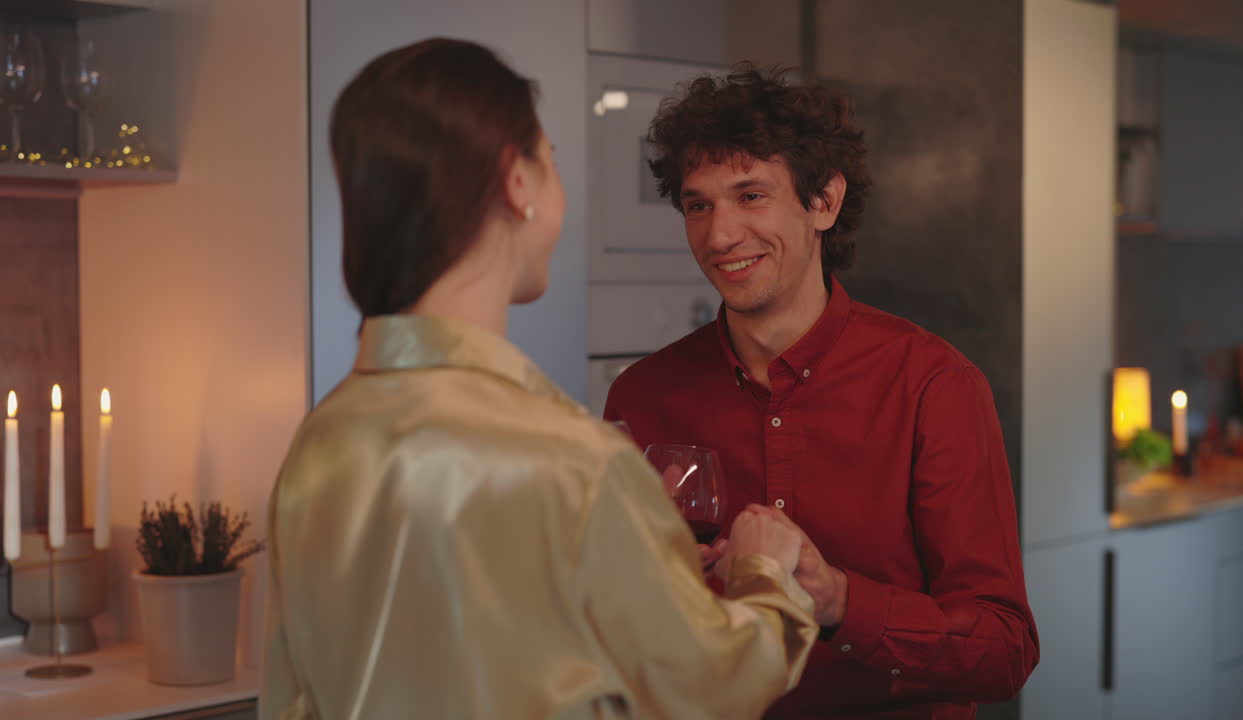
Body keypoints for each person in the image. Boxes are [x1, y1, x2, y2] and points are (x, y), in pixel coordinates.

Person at [260, 40, 818, 719]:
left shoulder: (319, 444)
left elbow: (294, 693)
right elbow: (708, 685)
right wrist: (767, 577)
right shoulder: (572, 463)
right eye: (550, 160)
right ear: (516, 183)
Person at [604, 65, 1039, 719]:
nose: (719, 235)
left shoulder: (935, 387)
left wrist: (836, 600)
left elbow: (1003, 652)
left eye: (750, 196)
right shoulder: (641, 396)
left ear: (824, 202)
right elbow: (611, 631)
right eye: (699, 204)